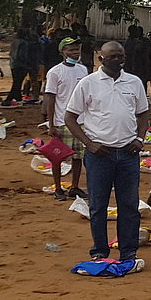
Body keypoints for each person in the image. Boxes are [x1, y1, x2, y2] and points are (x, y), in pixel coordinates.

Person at [64, 41, 150, 268]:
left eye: (121, 56)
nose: (118, 60)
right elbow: (70, 117)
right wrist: (88, 144)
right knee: (98, 205)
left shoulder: (134, 82)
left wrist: (140, 139)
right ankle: (100, 251)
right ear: (101, 59)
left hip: (128, 154)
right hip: (99, 154)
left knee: (129, 205)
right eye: (113, 56)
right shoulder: (88, 83)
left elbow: (143, 115)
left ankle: (128, 251)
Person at [42, 37, 88, 200]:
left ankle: (74, 186)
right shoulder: (55, 72)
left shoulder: (83, 70)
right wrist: (51, 123)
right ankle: (58, 188)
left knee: (78, 156)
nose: (75, 53)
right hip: (62, 120)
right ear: (62, 52)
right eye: (70, 50)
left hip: (80, 120)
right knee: (58, 156)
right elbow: (51, 98)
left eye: (77, 49)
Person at [122, 25, 151, 99]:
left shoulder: (144, 42)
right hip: (133, 69)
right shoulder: (130, 43)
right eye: (137, 30)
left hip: (142, 68)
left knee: (142, 83)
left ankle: (143, 98)